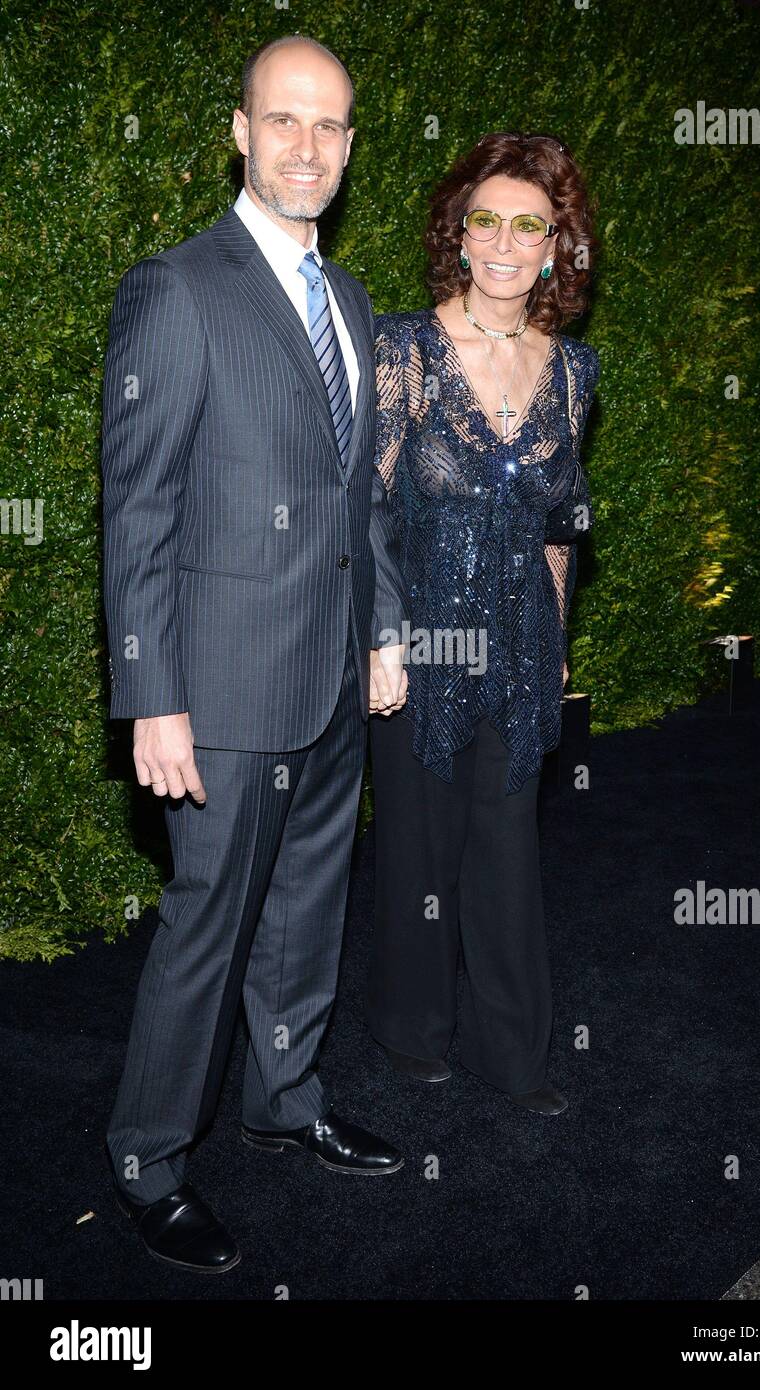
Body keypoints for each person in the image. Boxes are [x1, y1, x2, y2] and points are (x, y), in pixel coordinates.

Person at [101, 33, 409, 1274]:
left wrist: (382, 624)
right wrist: (152, 697)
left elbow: (358, 497)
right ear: (239, 130)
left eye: (331, 126)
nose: (308, 147)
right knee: (205, 927)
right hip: (220, 690)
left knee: (307, 912)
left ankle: (286, 1103)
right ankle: (147, 1160)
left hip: (332, 673)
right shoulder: (177, 287)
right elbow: (138, 510)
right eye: (284, 121)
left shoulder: (347, 298)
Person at [365, 131, 599, 1115]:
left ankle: (516, 1050)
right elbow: (365, 505)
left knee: (507, 851)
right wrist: (378, 635)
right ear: (458, 237)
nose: (505, 243)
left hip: (518, 644)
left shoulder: (573, 371)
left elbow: (559, 523)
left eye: (528, 226)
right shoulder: (402, 350)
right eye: (486, 222)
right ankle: (411, 1028)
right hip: (417, 646)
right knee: (416, 848)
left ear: (554, 248)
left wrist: (553, 645)